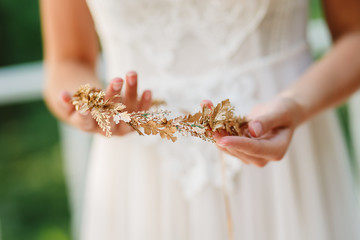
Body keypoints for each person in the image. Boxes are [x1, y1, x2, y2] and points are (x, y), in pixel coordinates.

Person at [41, 0, 360, 239]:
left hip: (286, 164)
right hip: (140, 180)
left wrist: (295, 104)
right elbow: (66, 62)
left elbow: (355, 36)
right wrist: (92, 103)